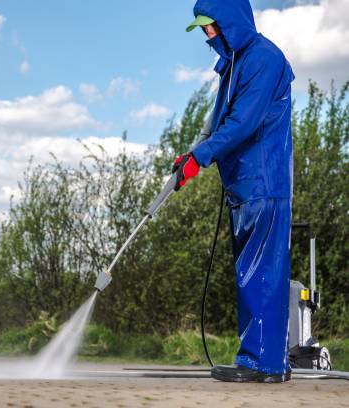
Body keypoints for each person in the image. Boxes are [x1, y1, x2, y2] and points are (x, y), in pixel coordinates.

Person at [173, 0, 295, 383]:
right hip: (244, 185)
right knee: (251, 273)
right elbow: (219, 125)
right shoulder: (235, 64)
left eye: (212, 26)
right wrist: (192, 156)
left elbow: (243, 123)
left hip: (262, 180)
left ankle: (263, 363)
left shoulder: (262, 58)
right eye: (204, 29)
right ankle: (268, 360)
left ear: (231, 22)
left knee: (261, 274)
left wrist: (201, 157)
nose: (209, 36)